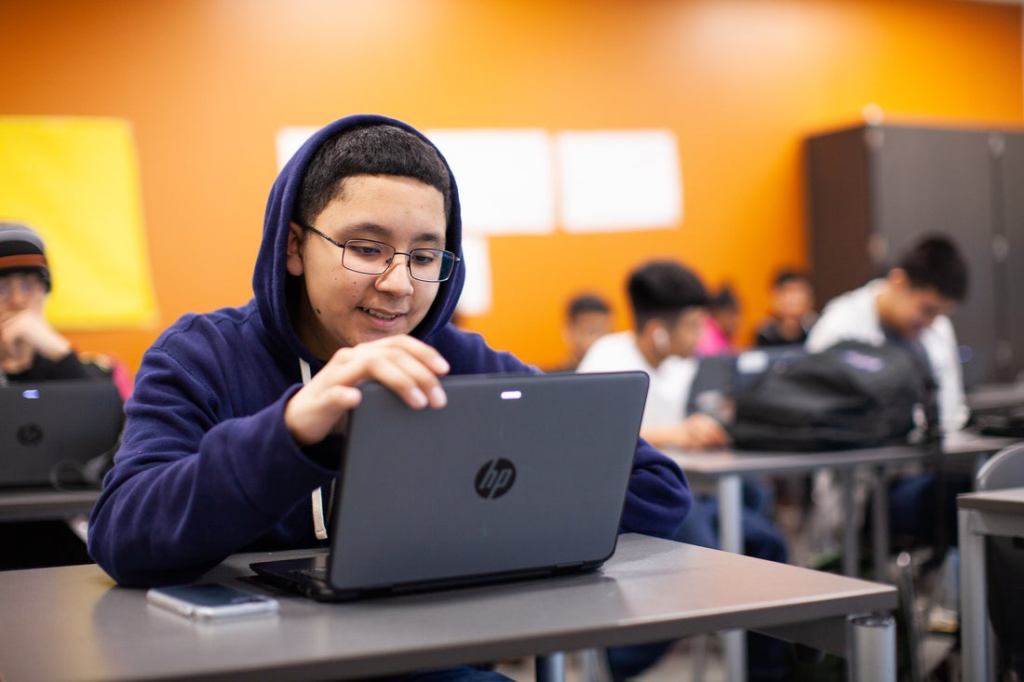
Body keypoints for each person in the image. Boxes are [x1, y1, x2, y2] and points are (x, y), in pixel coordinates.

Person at [86, 116, 691, 681]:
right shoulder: (202, 355)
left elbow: (657, 493)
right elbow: (125, 535)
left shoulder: (456, 360)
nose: (399, 284)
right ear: (294, 247)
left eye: (425, 257)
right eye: (367, 248)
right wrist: (294, 429)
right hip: (248, 665)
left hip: (420, 660)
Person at [578, 260, 788, 681]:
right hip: (631, 509)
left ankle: (766, 673)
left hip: (690, 497)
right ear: (658, 329)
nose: (700, 335)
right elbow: (590, 433)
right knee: (705, 561)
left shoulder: (681, 368)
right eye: (693, 325)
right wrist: (676, 433)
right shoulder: (609, 358)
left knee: (768, 546)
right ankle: (623, 657)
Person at [804, 235, 970, 553]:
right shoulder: (840, 326)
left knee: (977, 495)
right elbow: (822, 417)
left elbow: (950, 412)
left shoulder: (936, 330)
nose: (930, 322)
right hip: (859, 490)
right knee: (955, 502)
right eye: (926, 309)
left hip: (918, 470)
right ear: (898, 281)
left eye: (940, 314)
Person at [0, 221, 128, 570]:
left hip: (66, 532)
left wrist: (59, 352)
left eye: (29, 285)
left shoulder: (94, 370)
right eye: (2, 288)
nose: (16, 300)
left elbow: (126, 435)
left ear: (45, 293)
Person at [549, 292, 611, 372]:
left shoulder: (620, 376)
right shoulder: (545, 379)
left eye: (608, 332)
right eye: (592, 331)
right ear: (569, 332)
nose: (602, 339)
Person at [755, 269, 816, 348]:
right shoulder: (766, 333)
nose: (795, 299)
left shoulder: (816, 329)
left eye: (800, 291)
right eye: (789, 292)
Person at [695, 284, 740, 357]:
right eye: (731, 314)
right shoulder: (708, 340)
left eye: (738, 315)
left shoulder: (722, 336)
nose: (737, 320)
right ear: (717, 312)